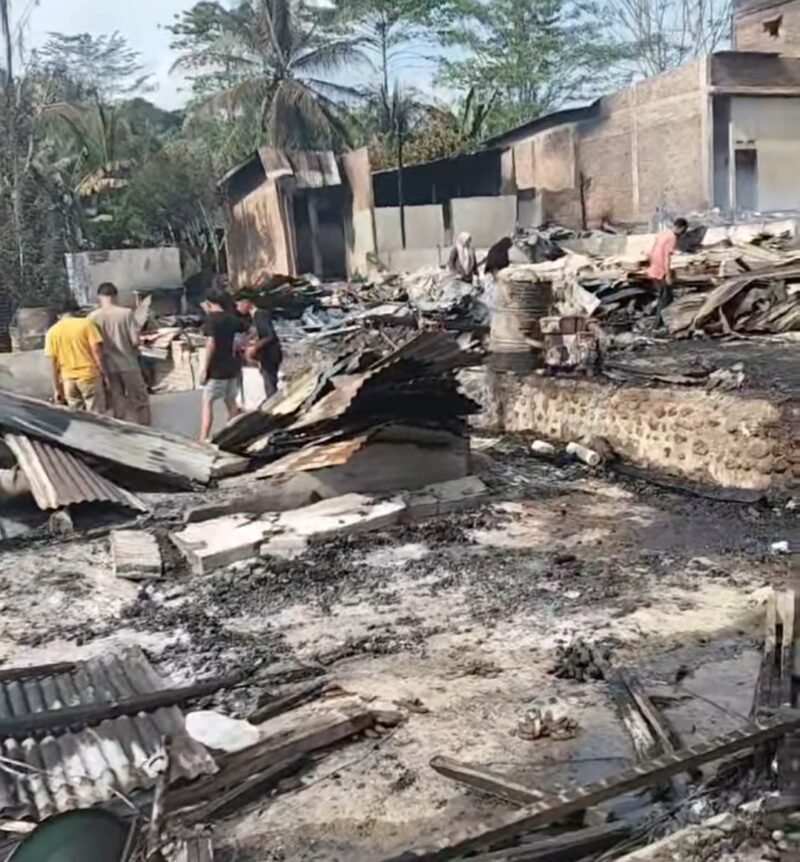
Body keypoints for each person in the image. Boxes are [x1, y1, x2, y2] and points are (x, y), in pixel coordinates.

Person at [88, 282, 151, 425]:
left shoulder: (92, 318)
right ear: (116, 296)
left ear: (99, 297)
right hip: (128, 363)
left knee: (117, 399)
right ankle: (147, 429)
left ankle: (121, 432)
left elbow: (93, 344)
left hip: (107, 366)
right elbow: (135, 341)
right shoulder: (126, 313)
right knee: (140, 400)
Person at [45, 298, 107, 413]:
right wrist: (104, 373)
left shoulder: (52, 332)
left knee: (77, 415)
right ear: (75, 311)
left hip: (68, 380)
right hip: (89, 377)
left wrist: (57, 389)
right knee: (97, 415)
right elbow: (97, 351)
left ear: (58, 315)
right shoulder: (86, 324)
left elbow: (53, 363)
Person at [198, 291, 245, 442]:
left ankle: (203, 438)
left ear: (209, 303)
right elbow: (242, 338)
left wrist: (205, 369)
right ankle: (232, 434)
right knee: (231, 402)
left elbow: (211, 344)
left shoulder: (211, 320)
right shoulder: (232, 319)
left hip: (216, 369)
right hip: (232, 368)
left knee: (208, 402)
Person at [235, 297, 283, 399]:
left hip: (270, 354)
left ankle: (273, 407)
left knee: (270, 383)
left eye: (239, 304)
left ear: (247, 302)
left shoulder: (259, 315)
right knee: (268, 382)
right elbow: (259, 334)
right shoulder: (255, 317)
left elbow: (270, 335)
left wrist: (254, 348)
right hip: (266, 354)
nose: (237, 308)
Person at [647, 217, 688, 325]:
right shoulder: (672, 238)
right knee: (665, 298)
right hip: (661, 271)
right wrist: (668, 275)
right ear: (681, 228)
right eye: (683, 232)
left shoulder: (663, 233)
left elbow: (651, 252)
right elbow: (666, 258)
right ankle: (659, 323)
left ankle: (660, 321)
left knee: (663, 296)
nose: (681, 235)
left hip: (653, 268)